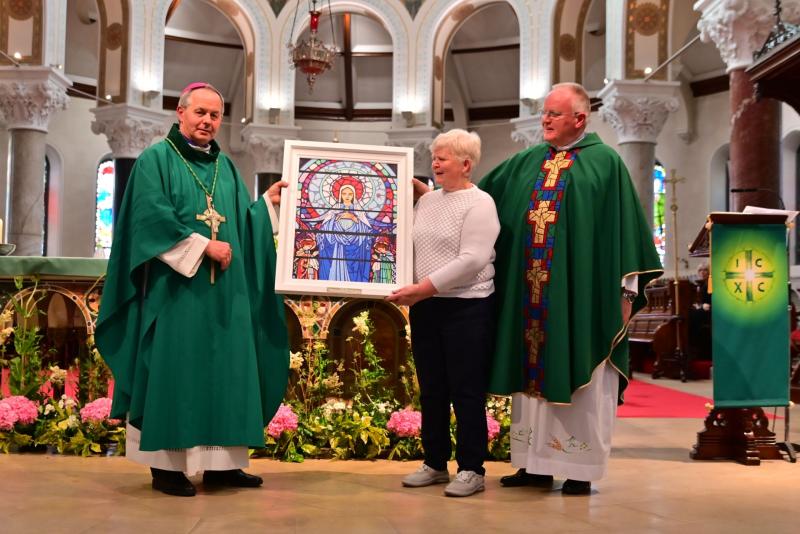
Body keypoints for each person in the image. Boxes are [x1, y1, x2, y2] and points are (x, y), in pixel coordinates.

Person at [95, 82, 289, 497]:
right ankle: (167, 467)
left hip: (226, 297)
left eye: (215, 115)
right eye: (200, 112)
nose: (207, 121)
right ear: (180, 113)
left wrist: (266, 207)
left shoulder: (226, 167)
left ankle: (223, 465)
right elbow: (150, 219)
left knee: (228, 372)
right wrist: (203, 246)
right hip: (176, 294)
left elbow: (242, 223)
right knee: (176, 370)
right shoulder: (156, 160)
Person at [478, 83, 662, 495]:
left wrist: (626, 293)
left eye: (554, 114)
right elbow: (477, 200)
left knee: (584, 377)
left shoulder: (605, 164)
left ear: (579, 119)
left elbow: (624, 234)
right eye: (545, 112)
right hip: (529, 299)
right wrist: (437, 198)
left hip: (582, 299)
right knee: (530, 378)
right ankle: (533, 465)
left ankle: (579, 469)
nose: (545, 119)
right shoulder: (526, 161)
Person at [387, 129, 500, 498]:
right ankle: (435, 463)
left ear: (466, 164)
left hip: (468, 306)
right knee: (432, 389)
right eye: (434, 157)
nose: (434, 162)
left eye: (443, 157)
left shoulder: (481, 203)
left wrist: (423, 288)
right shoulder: (428, 201)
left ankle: (472, 469)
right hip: (427, 306)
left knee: (466, 391)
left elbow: (473, 259)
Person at [313, 183, 376, 282]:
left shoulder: (359, 211)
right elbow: (325, 228)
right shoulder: (334, 210)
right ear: (340, 195)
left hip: (355, 245)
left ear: (354, 195)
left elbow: (366, 230)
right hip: (337, 245)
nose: (347, 196)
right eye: (344, 193)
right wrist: (335, 219)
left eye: (350, 194)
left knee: (355, 269)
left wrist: (354, 218)